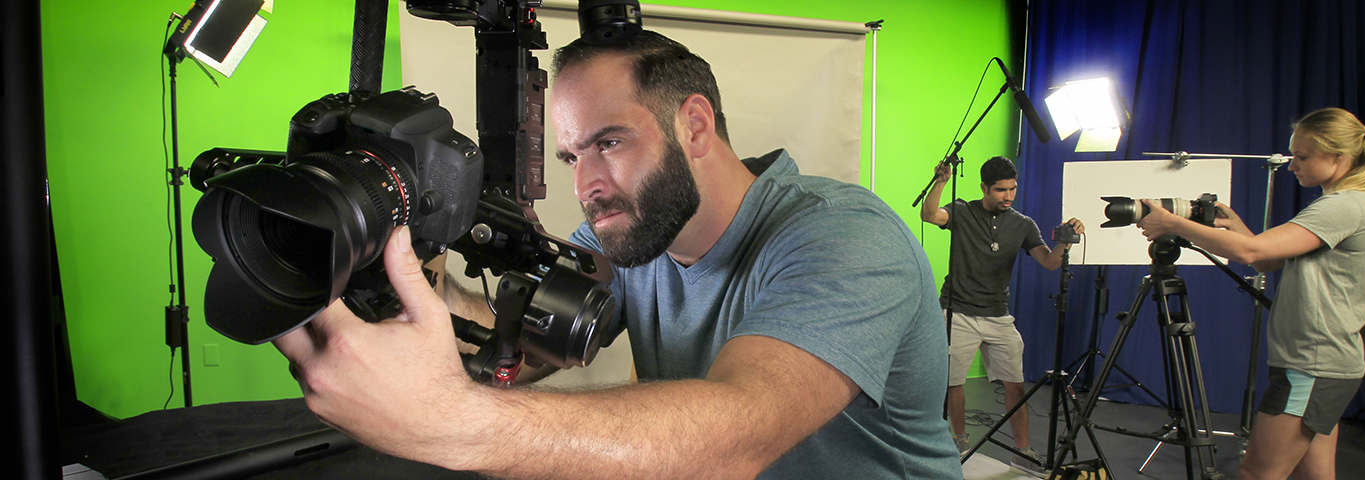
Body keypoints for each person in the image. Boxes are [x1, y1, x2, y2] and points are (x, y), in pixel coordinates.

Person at [275, 30, 964, 479]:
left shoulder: (841, 236)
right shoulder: (633, 233)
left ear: (693, 124)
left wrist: (457, 421)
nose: (586, 185)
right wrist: (427, 285)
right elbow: (520, 339)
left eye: (608, 142)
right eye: (573, 154)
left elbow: (740, 433)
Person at [1135, 108, 1365, 480]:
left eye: (1301, 157)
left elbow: (1252, 254)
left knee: (1257, 473)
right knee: (1313, 473)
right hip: (1323, 364)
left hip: (1312, 367)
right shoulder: (1346, 205)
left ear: (1338, 157)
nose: (1292, 166)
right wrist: (1237, 227)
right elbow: (1269, 260)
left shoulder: (1342, 207)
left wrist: (1172, 222)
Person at [920, 156, 1083, 472]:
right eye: (1000, 190)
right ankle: (960, 440)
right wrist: (940, 181)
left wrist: (1065, 243)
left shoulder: (1023, 224)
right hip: (959, 312)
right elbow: (929, 215)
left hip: (998, 315)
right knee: (954, 382)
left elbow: (1049, 263)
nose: (1008, 196)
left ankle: (1022, 451)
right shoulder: (963, 211)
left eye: (1012, 189)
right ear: (984, 187)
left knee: (1015, 384)